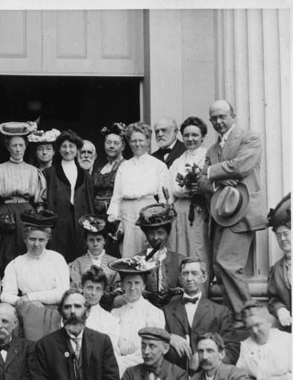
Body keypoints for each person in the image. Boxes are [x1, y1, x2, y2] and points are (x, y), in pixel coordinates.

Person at [197, 99, 267, 324]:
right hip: (221, 212)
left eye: (222, 116)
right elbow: (202, 183)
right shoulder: (212, 149)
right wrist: (219, 181)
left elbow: (241, 167)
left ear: (233, 116)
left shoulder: (250, 138)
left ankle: (248, 312)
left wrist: (211, 172)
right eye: (214, 118)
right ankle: (236, 315)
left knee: (228, 262)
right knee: (218, 265)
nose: (218, 121)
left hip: (243, 212)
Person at [0, 121, 47, 271]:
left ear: (25, 147)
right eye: (14, 145)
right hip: (5, 215)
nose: (17, 149)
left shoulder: (33, 171)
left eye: (21, 145)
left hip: (28, 214)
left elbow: (40, 202)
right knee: (6, 253)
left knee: (27, 250)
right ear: (8, 147)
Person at [0, 209, 69, 341]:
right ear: (25, 239)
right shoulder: (16, 264)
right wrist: (27, 302)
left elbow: (62, 292)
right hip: (26, 314)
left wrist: (30, 297)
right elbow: (6, 295)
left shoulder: (57, 259)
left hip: (54, 312)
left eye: (41, 240)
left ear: (47, 240)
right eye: (32, 239)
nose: (36, 244)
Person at [163, 258, 239, 372]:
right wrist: (168, 337)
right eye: (185, 274)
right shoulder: (166, 310)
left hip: (208, 377)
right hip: (173, 377)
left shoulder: (220, 312)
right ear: (180, 278)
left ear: (204, 277)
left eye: (194, 273)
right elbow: (155, 343)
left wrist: (206, 360)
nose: (189, 278)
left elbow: (232, 350)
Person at [108, 121, 170, 257]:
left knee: (149, 250)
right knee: (128, 252)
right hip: (127, 214)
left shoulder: (158, 165)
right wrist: (114, 220)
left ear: (148, 141)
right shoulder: (124, 166)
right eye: (133, 140)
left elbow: (163, 198)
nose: (137, 144)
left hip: (149, 212)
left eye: (141, 140)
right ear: (129, 143)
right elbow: (116, 196)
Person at [114, 203, 184, 308]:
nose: (155, 238)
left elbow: (188, 289)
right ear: (146, 235)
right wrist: (143, 293)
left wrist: (173, 293)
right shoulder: (136, 261)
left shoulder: (179, 260)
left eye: (160, 233)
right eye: (151, 233)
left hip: (174, 312)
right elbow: (122, 289)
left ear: (168, 234)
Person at [168, 116, 211, 281]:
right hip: (179, 212)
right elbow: (172, 188)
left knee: (197, 250)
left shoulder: (208, 157)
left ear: (202, 137)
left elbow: (208, 184)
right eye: (186, 135)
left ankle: (201, 293)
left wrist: (195, 188)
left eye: (194, 135)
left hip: (199, 210)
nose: (190, 139)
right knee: (180, 251)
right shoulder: (178, 161)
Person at [43, 129, 95, 263]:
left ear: (77, 149)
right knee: (57, 257)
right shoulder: (50, 173)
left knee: (79, 257)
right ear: (58, 150)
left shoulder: (85, 175)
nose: (67, 150)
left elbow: (89, 203)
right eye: (64, 146)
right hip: (58, 221)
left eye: (71, 146)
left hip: (80, 222)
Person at [109, 258, 165, 377]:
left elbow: (151, 349)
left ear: (144, 285)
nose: (132, 287)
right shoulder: (115, 313)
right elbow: (111, 346)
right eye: (128, 282)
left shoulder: (154, 313)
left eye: (137, 283)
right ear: (122, 285)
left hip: (142, 370)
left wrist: (120, 364)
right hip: (115, 369)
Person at [69, 214, 120, 310]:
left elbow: (119, 288)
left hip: (110, 307)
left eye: (99, 240)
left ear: (104, 241)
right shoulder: (77, 263)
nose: (95, 244)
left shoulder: (115, 263)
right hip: (84, 306)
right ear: (85, 241)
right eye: (91, 240)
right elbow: (74, 289)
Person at [80, 266, 121, 369]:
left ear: (103, 292)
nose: (93, 293)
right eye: (90, 287)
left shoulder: (110, 320)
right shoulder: (70, 315)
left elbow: (113, 354)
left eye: (98, 289)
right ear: (82, 288)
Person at [266, 193, 291, 330]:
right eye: (278, 236)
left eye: (286, 234)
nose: (282, 239)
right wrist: (280, 309)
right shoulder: (277, 269)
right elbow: (274, 299)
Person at [92, 122, 128, 216]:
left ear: (123, 146)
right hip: (97, 215)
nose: (112, 146)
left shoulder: (126, 166)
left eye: (116, 143)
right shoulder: (100, 168)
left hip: (115, 214)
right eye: (108, 142)